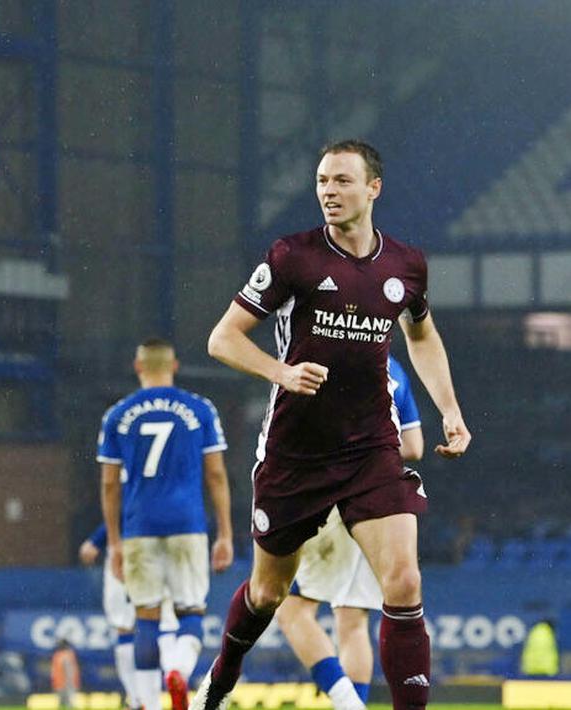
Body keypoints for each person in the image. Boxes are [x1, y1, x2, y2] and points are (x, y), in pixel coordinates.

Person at [191, 140, 472, 710]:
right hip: (295, 453)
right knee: (269, 593)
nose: (328, 192)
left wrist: (450, 410)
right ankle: (218, 683)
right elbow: (222, 338)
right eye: (322, 181)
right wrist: (281, 373)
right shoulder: (292, 256)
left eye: (342, 181)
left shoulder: (406, 266)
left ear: (373, 188)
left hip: (371, 447)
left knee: (405, 584)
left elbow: (421, 336)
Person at [274, 355, 424, 710]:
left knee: (292, 611)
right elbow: (415, 446)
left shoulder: (322, 355)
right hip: (379, 501)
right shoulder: (395, 369)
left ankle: (348, 705)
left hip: (328, 493)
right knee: (353, 621)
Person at [98, 339, 234, 710]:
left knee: (146, 617)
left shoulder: (117, 414)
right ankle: (177, 669)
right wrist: (224, 533)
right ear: (174, 365)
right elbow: (217, 475)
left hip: (139, 526)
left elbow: (110, 484)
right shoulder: (200, 409)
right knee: (190, 612)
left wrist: (113, 542)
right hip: (187, 523)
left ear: (138, 366)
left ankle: (146, 703)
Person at [79, 524, 181, 710]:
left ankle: (139, 701)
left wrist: (96, 539)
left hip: (128, 547)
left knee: (125, 626)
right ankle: (175, 672)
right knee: (161, 621)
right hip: (162, 546)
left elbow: (123, 502)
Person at [51, 638, 81, 708]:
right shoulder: (58, 655)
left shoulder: (68, 655)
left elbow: (70, 671)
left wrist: (69, 683)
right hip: (59, 683)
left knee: (69, 704)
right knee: (61, 704)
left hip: (67, 684)